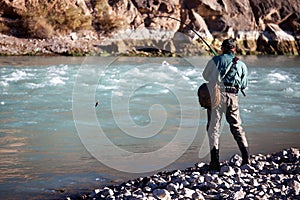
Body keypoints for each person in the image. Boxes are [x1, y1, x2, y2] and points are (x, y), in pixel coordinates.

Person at [202, 38, 250, 170]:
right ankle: (246, 158)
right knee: (236, 127)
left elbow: (205, 76)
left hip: (217, 96)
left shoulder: (215, 60)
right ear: (234, 49)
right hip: (233, 97)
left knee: (214, 128)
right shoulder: (241, 65)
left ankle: (215, 162)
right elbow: (244, 85)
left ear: (223, 48)